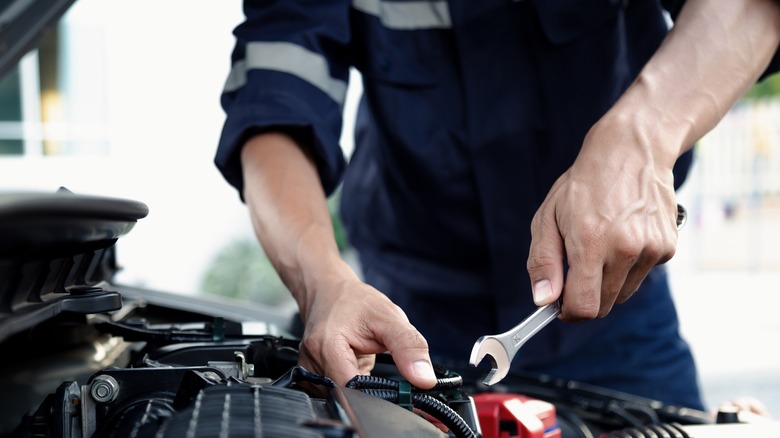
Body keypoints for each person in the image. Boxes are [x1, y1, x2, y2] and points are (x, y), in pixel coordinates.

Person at [215, 0, 780, 410]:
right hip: (403, 330)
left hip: (618, 318)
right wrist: (323, 284)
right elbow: (274, 98)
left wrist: (643, 136)